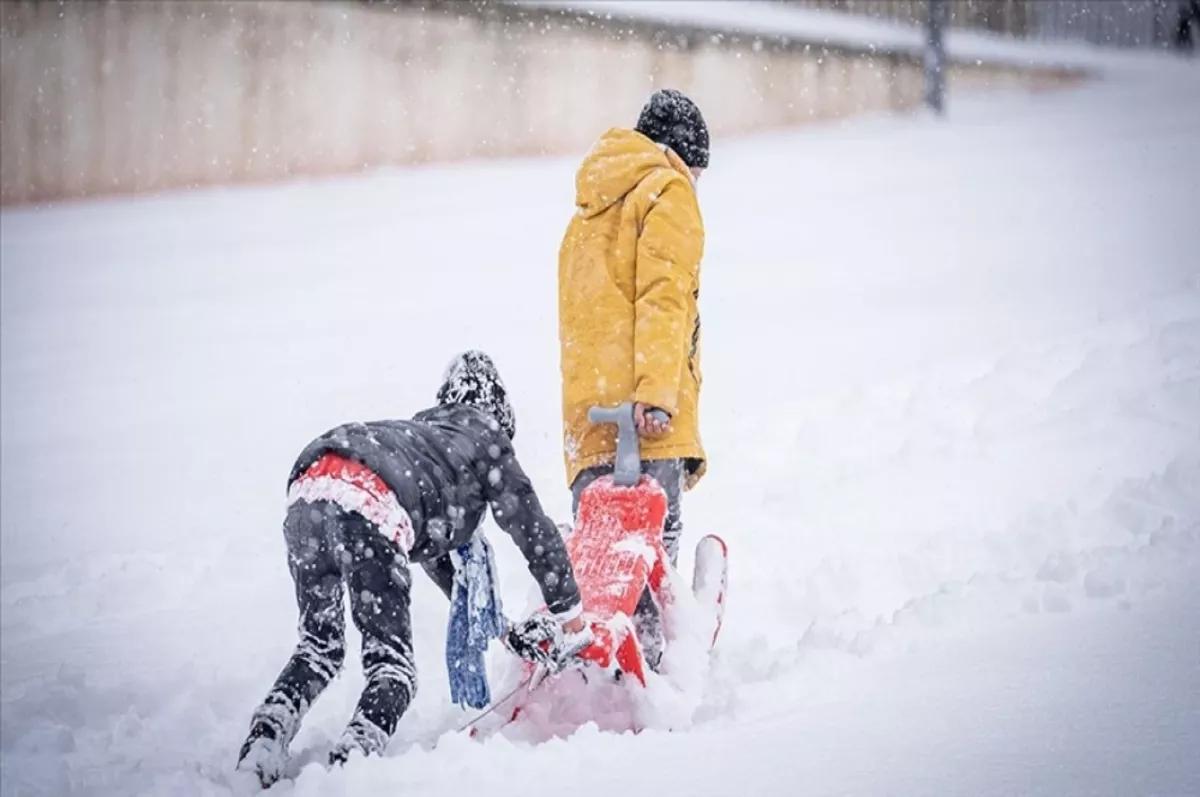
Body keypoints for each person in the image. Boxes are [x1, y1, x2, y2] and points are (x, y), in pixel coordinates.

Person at [236, 351, 591, 787]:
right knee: (393, 670)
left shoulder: (423, 444)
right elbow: (533, 530)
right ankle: (349, 766)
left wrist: (507, 632)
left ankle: (263, 743)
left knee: (318, 649)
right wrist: (572, 619)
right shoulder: (484, 437)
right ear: (499, 413)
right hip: (368, 503)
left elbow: (455, 579)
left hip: (310, 488)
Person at [557, 88, 709, 667]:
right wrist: (655, 395)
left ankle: (603, 672)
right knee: (652, 555)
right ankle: (655, 673)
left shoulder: (586, 211)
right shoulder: (667, 190)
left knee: (603, 567)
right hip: (647, 415)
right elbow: (663, 299)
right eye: (698, 170)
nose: (697, 182)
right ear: (682, 156)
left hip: (588, 420)